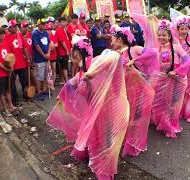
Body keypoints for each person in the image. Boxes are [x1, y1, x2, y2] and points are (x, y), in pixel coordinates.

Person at [47, 46, 129, 180]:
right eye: (73, 58)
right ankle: (97, 159)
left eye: (76, 57)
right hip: (98, 112)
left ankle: (105, 169)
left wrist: (93, 72)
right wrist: (62, 95)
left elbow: (112, 55)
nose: (73, 61)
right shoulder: (82, 71)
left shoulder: (96, 62)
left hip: (111, 109)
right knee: (95, 137)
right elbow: (72, 83)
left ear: (82, 55)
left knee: (107, 141)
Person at [110, 25, 159, 157]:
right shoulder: (117, 54)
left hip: (139, 91)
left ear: (120, 39)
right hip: (125, 91)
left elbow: (153, 53)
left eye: (113, 39)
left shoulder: (133, 49)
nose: (111, 43)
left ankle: (134, 144)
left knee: (136, 118)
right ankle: (127, 141)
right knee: (126, 116)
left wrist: (135, 60)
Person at [151, 20, 190, 138]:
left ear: (169, 36)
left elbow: (187, 61)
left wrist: (177, 71)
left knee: (173, 105)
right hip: (162, 80)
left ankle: (170, 126)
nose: (161, 37)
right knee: (161, 102)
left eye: (164, 35)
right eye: (159, 35)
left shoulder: (175, 46)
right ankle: (162, 123)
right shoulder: (157, 48)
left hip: (176, 80)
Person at [0, 28, 16, 116]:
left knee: (9, 89)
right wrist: (4, 68)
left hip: (8, 71)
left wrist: (11, 66)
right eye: (1, 35)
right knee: (2, 91)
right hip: (0, 72)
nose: (3, 36)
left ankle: (11, 105)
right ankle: (5, 109)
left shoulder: (6, 43)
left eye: (4, 34)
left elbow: (10, 56)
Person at [6, 19, 30, 105]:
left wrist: (28, 58)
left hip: (22, 63)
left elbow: (25, 48)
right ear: (10, 28)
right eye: (14, 26)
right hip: (13, 64)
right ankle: (14, 100)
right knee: (12, 83)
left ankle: (26, 95)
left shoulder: (19, 35)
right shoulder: (6, 37)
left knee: (25, 81)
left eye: (16, 26)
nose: (16, 27)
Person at [32, 19, 51, 101]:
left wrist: (49, 53)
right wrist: (44, 55)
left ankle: (43, 90)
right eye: (42, 24)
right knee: (39, 76)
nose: (44, 25)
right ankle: (39, 92)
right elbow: (37, 46)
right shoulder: (35, 33)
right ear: (38, 25)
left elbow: (49, 43)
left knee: (45, 75)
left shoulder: (45, 32)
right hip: (39, 58)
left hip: (46, 57)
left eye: (44, 24)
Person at [55, 17, 71, 83]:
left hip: (64, 51)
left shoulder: (63, 29)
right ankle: (67, 81)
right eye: (63, 22)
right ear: (59, 23)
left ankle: (63, 80)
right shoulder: (59, 30)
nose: (65, 23)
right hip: (62, 52)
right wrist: (67, 50)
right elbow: (62, 41)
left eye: (65, 22)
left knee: (63, 66)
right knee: (64, 67)